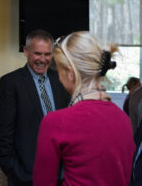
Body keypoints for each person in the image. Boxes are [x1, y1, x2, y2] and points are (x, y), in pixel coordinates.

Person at [33, 31, 136, 186]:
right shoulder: (124, 120)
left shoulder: (56, 122)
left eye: (59, 70)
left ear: (70, 73)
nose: (59, 78)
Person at [0, 29, 70, 186]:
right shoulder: (11, 83)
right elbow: (4, 133)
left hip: (61, 175)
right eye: (37, 53)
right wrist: (14, 171)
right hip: (25, 176)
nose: (42, 59)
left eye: (47, 54)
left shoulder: (61, 80)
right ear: (26, 51)